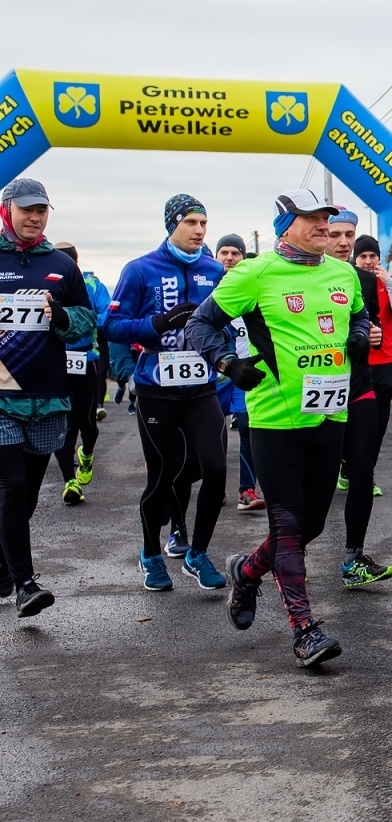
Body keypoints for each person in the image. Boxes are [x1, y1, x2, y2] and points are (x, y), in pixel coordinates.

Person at [185, 189, 368, 668]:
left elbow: (359, 316)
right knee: (287, 525)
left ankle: (246, 571)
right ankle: (305, 630)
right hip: (273, 418)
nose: (324, 226)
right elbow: (199, 325)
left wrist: (358, 334)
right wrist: (227, 362)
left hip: (330, 414)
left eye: (327, 218)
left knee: (311, 525)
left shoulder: (344, 273)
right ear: (287, 224)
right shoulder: (254, 272)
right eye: (313, 218)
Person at [105, 194, 229, 592]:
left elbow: (230, 323)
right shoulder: (141, 269)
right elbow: (112, 326)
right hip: (157, 388)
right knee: (162, 474)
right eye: (191, 222)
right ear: (172, 225)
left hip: (200, 386)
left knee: (214, 469)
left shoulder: (215, 270)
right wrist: (157, 323)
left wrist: (220, 340)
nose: (199, 231)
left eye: (203, 224)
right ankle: (151, 554)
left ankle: (197, 553)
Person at [0, 179, 94, 616]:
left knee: (29, 493)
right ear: (7, 210)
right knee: (12, 485)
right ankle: (25, 584)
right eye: (26, 210)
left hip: (48, 395)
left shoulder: (61, 265)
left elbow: (85, 325)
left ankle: (4, 565)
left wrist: (60, 315)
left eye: (42, 210)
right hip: (1, 394)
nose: (35, 217)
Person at [340, 228, 392, 586]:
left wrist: (389, 285)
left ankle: (353, 558)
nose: (367, 260)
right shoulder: (344, 278)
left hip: (377, 368)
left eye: (370, 255)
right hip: (335, 376)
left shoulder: (378, 281)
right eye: (362, 256)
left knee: (372, 440)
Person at [52, 242, 110, 505]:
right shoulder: (47, 283)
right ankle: (69, 481)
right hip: (55, 360)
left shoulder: (92, 286)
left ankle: (86, 453)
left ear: (74, 263)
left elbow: (106, 316)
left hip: (85, 358)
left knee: (87, 423)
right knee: (63, 423)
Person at [213, 233, 265, 511]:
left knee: (246, 427)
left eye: (236, 253)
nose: (230, 258)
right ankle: (214, 487)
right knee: (212, 431)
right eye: (225, 253)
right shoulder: (208, 289)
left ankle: (246, 490)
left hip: (243, 373)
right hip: (214, 373)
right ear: (216, 257)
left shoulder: (253, 286)